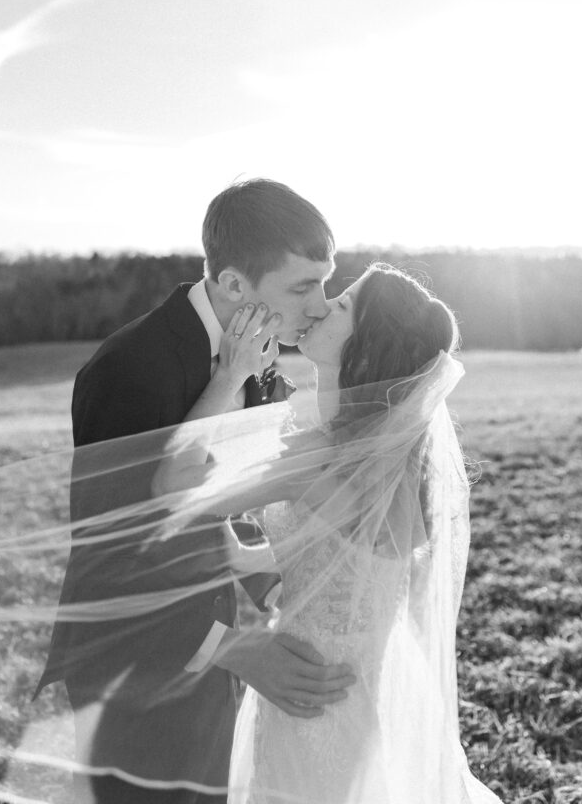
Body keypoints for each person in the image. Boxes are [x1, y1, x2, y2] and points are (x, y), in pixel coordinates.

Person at [33, 178, 356, 804]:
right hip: (134, 668)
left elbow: (225, 502)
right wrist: (230, 648)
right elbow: (115, 554)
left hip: (212, 650)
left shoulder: (258, 355)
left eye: (326, 280)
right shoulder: (130, 369)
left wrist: (279, 585)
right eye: (302, 286)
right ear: (235, 285)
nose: (320, 304)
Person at [155, 262, 504, 803]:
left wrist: (230, 374)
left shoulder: (320, 456)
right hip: (368, 689)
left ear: (364, 346)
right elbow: (339, 571)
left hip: (312, 705)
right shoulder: (397, 457)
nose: (321, 306)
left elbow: (174, 487)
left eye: (341, 305)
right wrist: (235, 554)